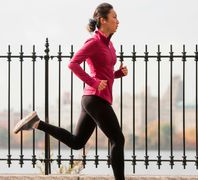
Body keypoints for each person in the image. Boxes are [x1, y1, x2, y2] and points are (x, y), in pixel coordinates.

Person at [13, 3, 128, 180]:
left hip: (97, 98)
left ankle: (37, 123)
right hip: (94, 98)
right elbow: (73, 64)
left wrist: (118, 74)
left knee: (76, 142)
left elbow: (105, 74)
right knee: (117, 139)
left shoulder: (109, 45)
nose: (118, 21)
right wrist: (93, 82)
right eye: (114, 17)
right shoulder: (94, 42)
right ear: (102, 20)